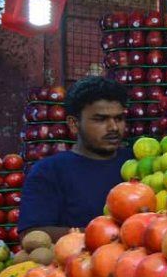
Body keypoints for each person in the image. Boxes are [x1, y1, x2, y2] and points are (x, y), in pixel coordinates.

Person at [18, 76, 133, 240]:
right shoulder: (49, 172)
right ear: (73, 124)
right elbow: (31, 235)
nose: (113, 127)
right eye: (100, 119)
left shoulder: (134, 164)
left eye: (119, 118)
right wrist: (103, 234)